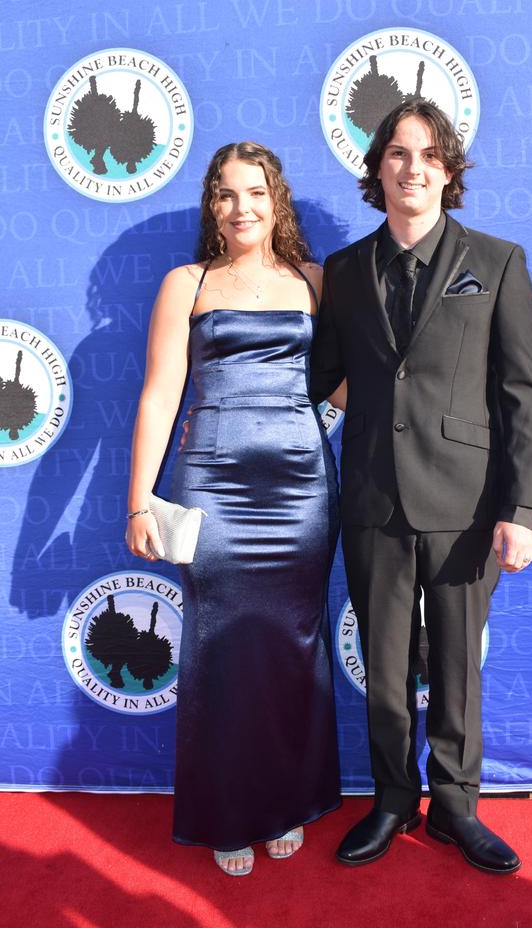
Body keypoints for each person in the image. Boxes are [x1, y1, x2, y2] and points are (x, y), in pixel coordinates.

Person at [309, 98, 532, 874]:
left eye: (431, 156)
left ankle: (455, 807)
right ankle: (388, 802)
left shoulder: (498, 259)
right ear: (377, 168)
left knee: (454, 665)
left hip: (469, 500)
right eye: (399, 154)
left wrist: (522, 509)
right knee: (384, 664)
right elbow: (327, 377)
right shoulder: (342, 272)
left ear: (450, 171)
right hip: (373, 498)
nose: (414, 168)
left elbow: (521, 393)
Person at [126, 142, 341, 876]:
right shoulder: (187, 282)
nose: (240, 206)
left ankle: (285, 802)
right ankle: (227, 811)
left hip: (303, 487)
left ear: (276, 199)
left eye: (254, 192)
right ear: (211, 207)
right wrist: (139, 502)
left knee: (292, 646)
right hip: (213, 486)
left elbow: (342, 388)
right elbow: (161, 395)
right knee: (220, 648)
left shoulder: (314, 280)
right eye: (225, 194)